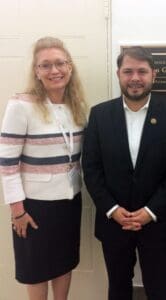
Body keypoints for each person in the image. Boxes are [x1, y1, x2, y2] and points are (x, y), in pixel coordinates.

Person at [82, 46, 166, 300]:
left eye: (142, 71)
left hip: (158, 222)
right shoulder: (99, 115)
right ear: (118, 74)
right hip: (113, 222)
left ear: (153, 74)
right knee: (118, 288)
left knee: (161, 289)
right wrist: (112, 210)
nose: (135, 78)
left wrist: (150, 212)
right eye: (128, 71)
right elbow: (91, 168)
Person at [0, 37, 88, 300]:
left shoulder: (77, 106)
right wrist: (17, 211)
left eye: (60, 63)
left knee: (64, 263)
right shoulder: (20, 105)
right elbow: (7, 162)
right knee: (35, 270)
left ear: (70, 68)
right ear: (36, 72)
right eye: (45, 65)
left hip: (70, 200)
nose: (54, 71)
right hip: (33, 206)